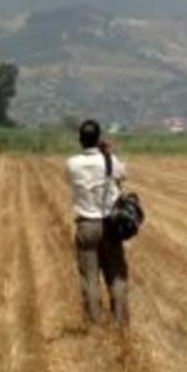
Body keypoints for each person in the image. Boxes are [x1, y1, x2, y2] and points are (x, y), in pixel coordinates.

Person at [66, 119, 129, 326]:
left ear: (80, 140)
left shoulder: (72, 164)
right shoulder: (109, 161)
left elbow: (72, 181)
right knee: (116, 275)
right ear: (99, 138)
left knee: (90, 279)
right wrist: (109, 153)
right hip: (109, 224)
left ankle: (95, 326)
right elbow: (123, 174)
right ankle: (120, 323)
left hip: (86, 224)